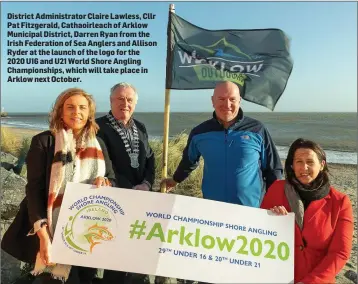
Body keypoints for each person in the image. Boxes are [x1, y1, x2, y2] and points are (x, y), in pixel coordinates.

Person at [1, 88, 117, 284]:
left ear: (89, 113)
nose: (76, 112)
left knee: (86, 278)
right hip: (51, 229)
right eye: (70, 107)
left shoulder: (98, 144)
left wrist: (105, 182)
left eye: (82, 107)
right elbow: (34, 190)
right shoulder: (44, 141)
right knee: (51, 280)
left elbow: (111, 179)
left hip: (88, 229)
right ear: (60, 111)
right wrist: (44, 237)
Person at [161, 81, 282, 208]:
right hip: (214, 210)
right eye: (221, 99)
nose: (227, 104)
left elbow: (273, 169)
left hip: (251, 210)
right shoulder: (199, 133)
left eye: (232, 99)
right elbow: (189, 161)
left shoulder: (257, 130)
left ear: (239, 100)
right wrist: (175, 180)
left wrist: (277, 202)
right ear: (213, 101)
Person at [261, 138, 353, 283]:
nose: (304, 167)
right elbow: (258, 234)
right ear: (292, 165)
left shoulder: (340, 202)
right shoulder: (276, 189)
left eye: (310, 162)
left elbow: (339, 253)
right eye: (298, 161)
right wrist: (271, 220)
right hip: (277, 278)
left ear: (322, 165)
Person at [96, 82, 155, 284]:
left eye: (129, 99)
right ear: (111, 101)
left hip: (140, 198)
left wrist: (147, 183)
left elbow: (150, 158)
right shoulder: (99, 127)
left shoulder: (140, 127)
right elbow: (105, 164)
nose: (125, 103)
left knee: (138, 246)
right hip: (114, 199)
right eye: (120, 99)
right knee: (115, 251)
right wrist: (129, 189)